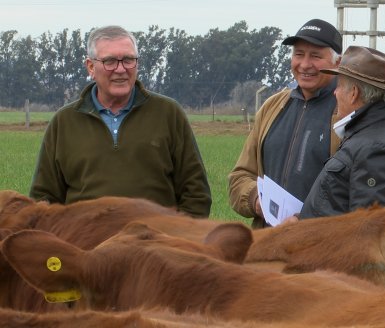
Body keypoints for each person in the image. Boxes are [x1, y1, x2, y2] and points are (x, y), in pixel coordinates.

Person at [30, 25, 211, 218]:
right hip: (86, 244)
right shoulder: (64, 121)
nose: (120, 69)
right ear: (91, 67)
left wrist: (178, 238)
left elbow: (196, 194)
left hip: (154, 243)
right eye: (109, 61)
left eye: (128, 60)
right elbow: (43, 198)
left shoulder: (168, 113)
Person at [228, 19, 342, 228]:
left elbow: (354, 193)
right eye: (298, 54)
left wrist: (306, 220)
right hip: (266, 244)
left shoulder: (346, 113)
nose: (305, 64)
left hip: (319, 247)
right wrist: (257, 201)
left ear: (338, 63)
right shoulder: (272, 108)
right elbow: (240, 177)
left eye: (316, 56)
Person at [299, 46, 385, 219]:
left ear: (354, 93)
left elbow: (369, 233)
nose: (335, 92)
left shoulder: (377, 149)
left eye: (339, 86)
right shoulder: (374, 132)